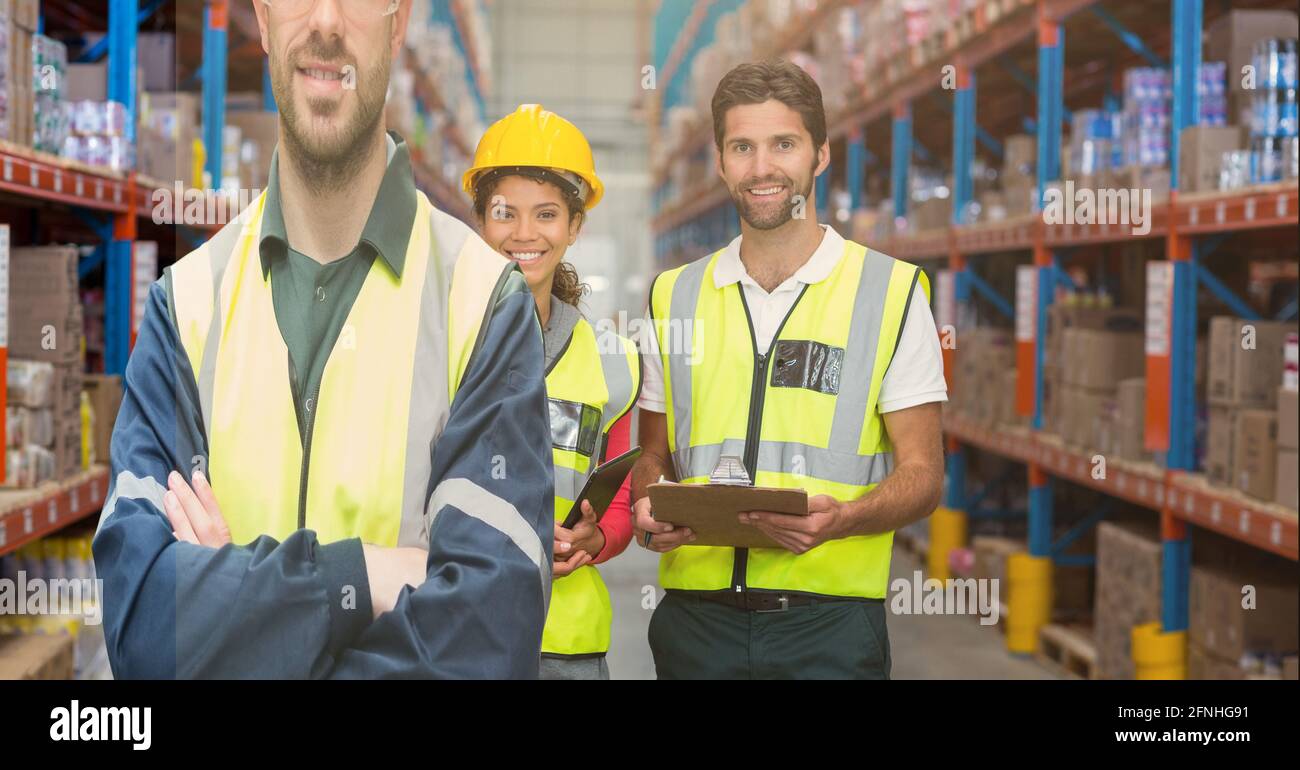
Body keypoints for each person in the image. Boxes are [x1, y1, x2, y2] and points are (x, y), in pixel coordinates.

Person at [92, 0, 555, 678]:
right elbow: (141, 628)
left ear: (399, 23)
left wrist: (237, 610)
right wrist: (359, 577)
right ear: (263, 15)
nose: (328, 20)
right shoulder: (187, 306)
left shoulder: (483, 305)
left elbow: (489, 638)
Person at [631, 60, 947, 680]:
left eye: (784, 144)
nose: (762, 168)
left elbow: (924, 474)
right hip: (696, 626)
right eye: (742, 147)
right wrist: (647, 508)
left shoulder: (889, 293)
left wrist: (845, 519)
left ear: (820, 155)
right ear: (721, 163)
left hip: (829, 629)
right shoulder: (674, 296)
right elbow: (654, 457)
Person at [466, 105, 642, 680]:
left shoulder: (611, 359)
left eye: (546, 214)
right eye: (504, 213)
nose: (524, 233)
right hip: (459, 631)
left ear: (574, 226)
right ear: (479, 221)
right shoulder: (441, 343)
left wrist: (597, 538)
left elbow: (616, 500)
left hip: (568, 644)